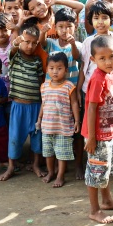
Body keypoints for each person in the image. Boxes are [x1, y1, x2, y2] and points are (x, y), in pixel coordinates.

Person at [82, 35, 113, 224]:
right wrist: (92, 138)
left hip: (108, 133)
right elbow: (92, 108)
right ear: (93, 60)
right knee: (95, 173)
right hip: (97, 135)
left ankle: (107, 200)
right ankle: (94, 210)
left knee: (105, 170)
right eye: (102, 58)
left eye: (111, 56)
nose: (108, 61)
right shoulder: (98, 79)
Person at [1, 25, 45, 180]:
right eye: (27, 42)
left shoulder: (37, 60)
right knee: (14, 137)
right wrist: (15, 43)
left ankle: (35, 165)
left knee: (37, 138)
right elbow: (10, 52)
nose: (30, 46)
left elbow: (41, 82)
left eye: (34, 43)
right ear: (20, 41)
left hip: (35, 107)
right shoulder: (15, 56)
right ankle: (11, 167)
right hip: (18, 106)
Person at [37, 52, 80, 187]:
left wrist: (77, 121)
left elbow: (74, 104)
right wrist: (39, 119)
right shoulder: (44, 86)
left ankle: (60, 176)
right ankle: (51, 172)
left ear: (66, 70)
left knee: (62, 154)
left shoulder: (69, 86)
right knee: (48, 153)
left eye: (59, 68)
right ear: (47, 69)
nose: (55, 71)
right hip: (47, 127)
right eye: (51, 68)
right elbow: (43, 103)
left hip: (63, 127)